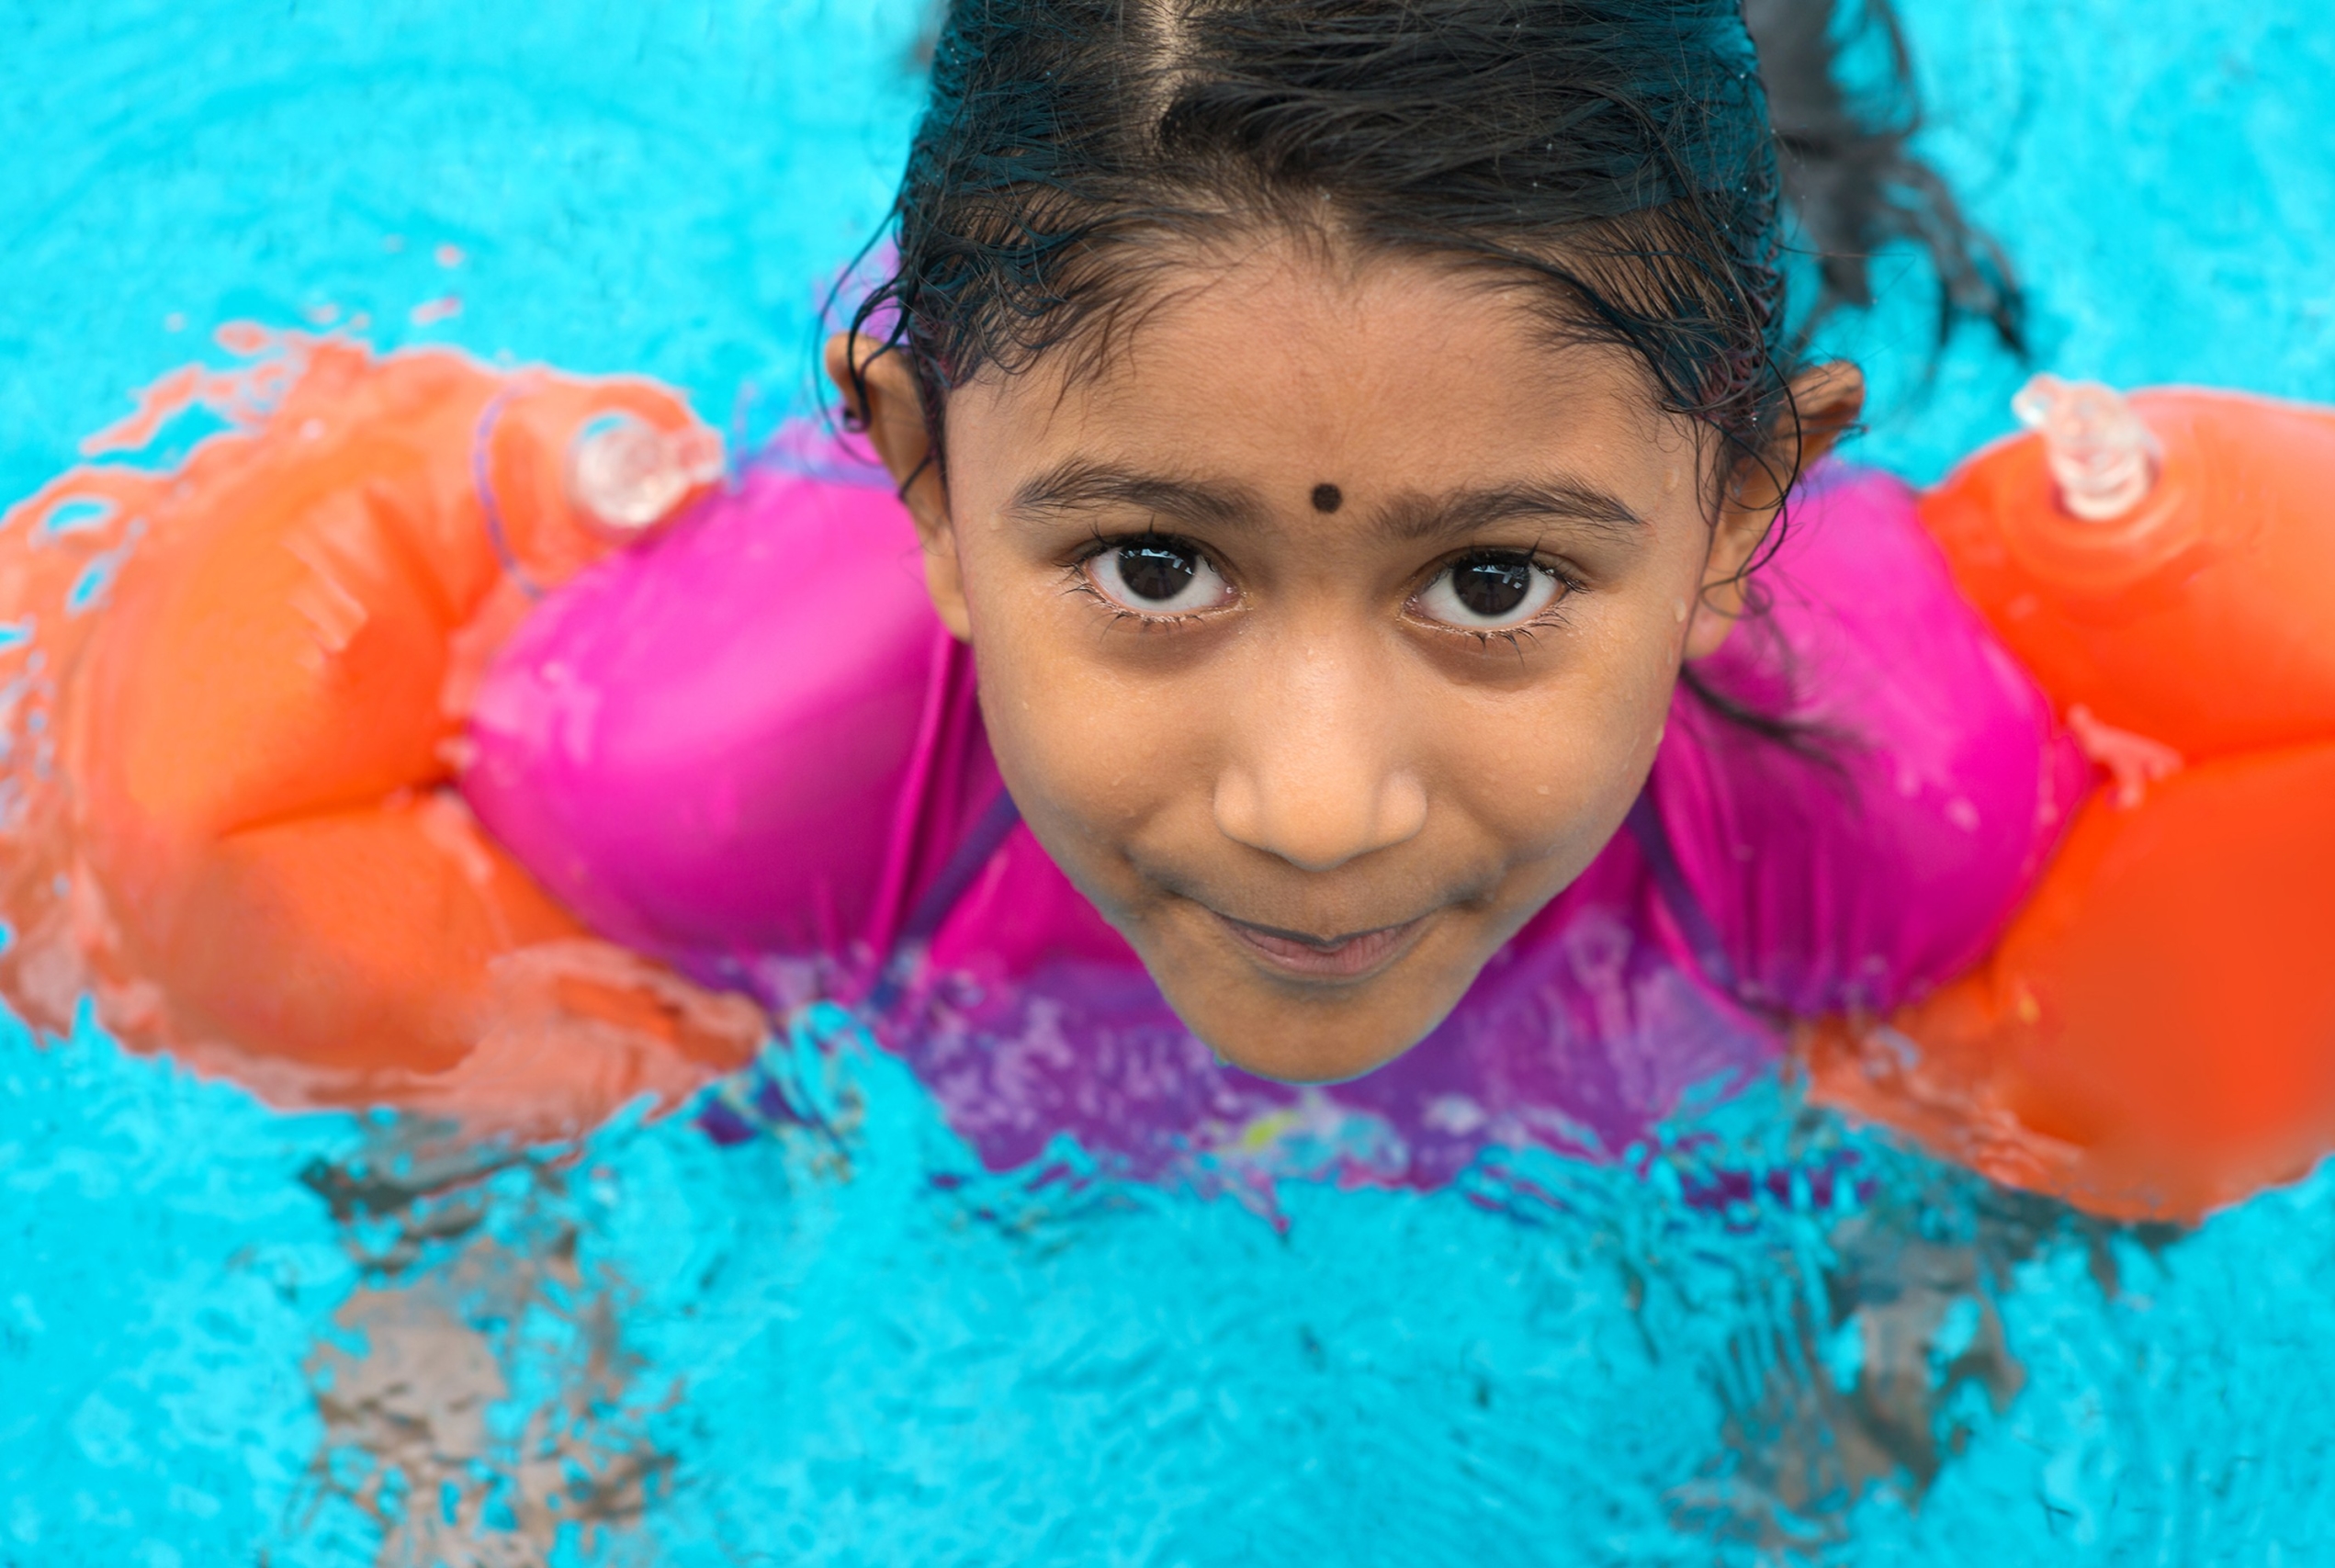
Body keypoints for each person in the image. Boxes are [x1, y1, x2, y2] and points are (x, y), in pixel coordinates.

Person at [0, 0, 2065, 1181]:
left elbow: (2000, 1219)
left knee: (1804, 198)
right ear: (918, 478)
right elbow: (443, 1180)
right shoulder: (701, 766)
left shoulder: (1893, 803)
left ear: (1738, 516)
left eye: (1494, 578)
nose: (1315, 802)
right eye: (1154, 565)